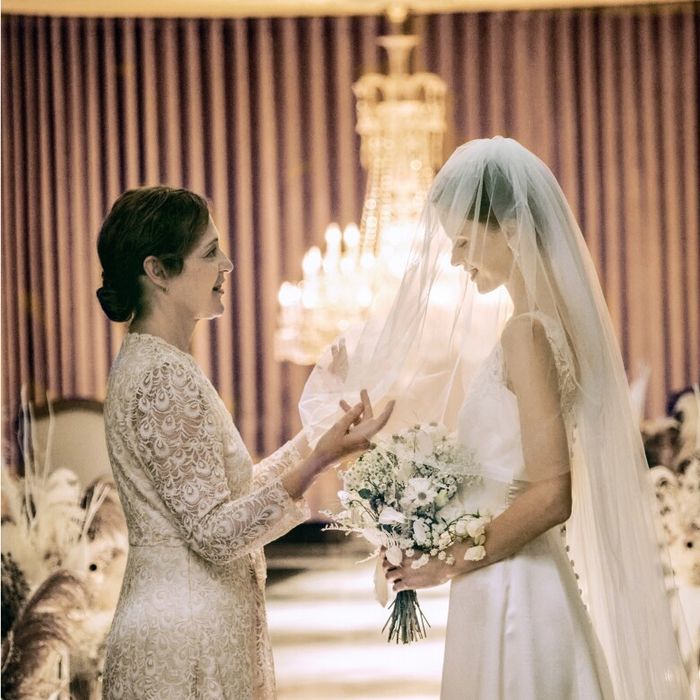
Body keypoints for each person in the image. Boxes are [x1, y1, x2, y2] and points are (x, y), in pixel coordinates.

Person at [300, 137, 694, 698]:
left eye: (463, 241)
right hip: (510, 573)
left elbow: (552, 494)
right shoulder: (545, 325)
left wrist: (445, 560)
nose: (455, 260)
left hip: (517, 589)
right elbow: (508, 469)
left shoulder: (526, 334)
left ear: (510, 228)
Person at [95, 186, 393, 699]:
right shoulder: (163, 376)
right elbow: (215, 534)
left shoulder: (157, 363)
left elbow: (225, 499)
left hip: (191, 619)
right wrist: (317, 460)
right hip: (184, 639)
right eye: (210, 252)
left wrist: (318, 442)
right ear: (158, 270)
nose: (227, 265)